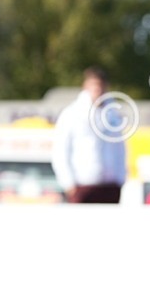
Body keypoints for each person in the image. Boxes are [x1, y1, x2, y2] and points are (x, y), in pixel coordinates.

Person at [52, 66, 127, 203]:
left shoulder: (114, 114)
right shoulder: (72, 114)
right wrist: (68, 183)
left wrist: (120, 178)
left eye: (100, 85)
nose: (97, 90)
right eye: (93, 85)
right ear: (85, 86)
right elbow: (61, 150)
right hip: (82, 186)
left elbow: (120, 149)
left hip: (110, 186)